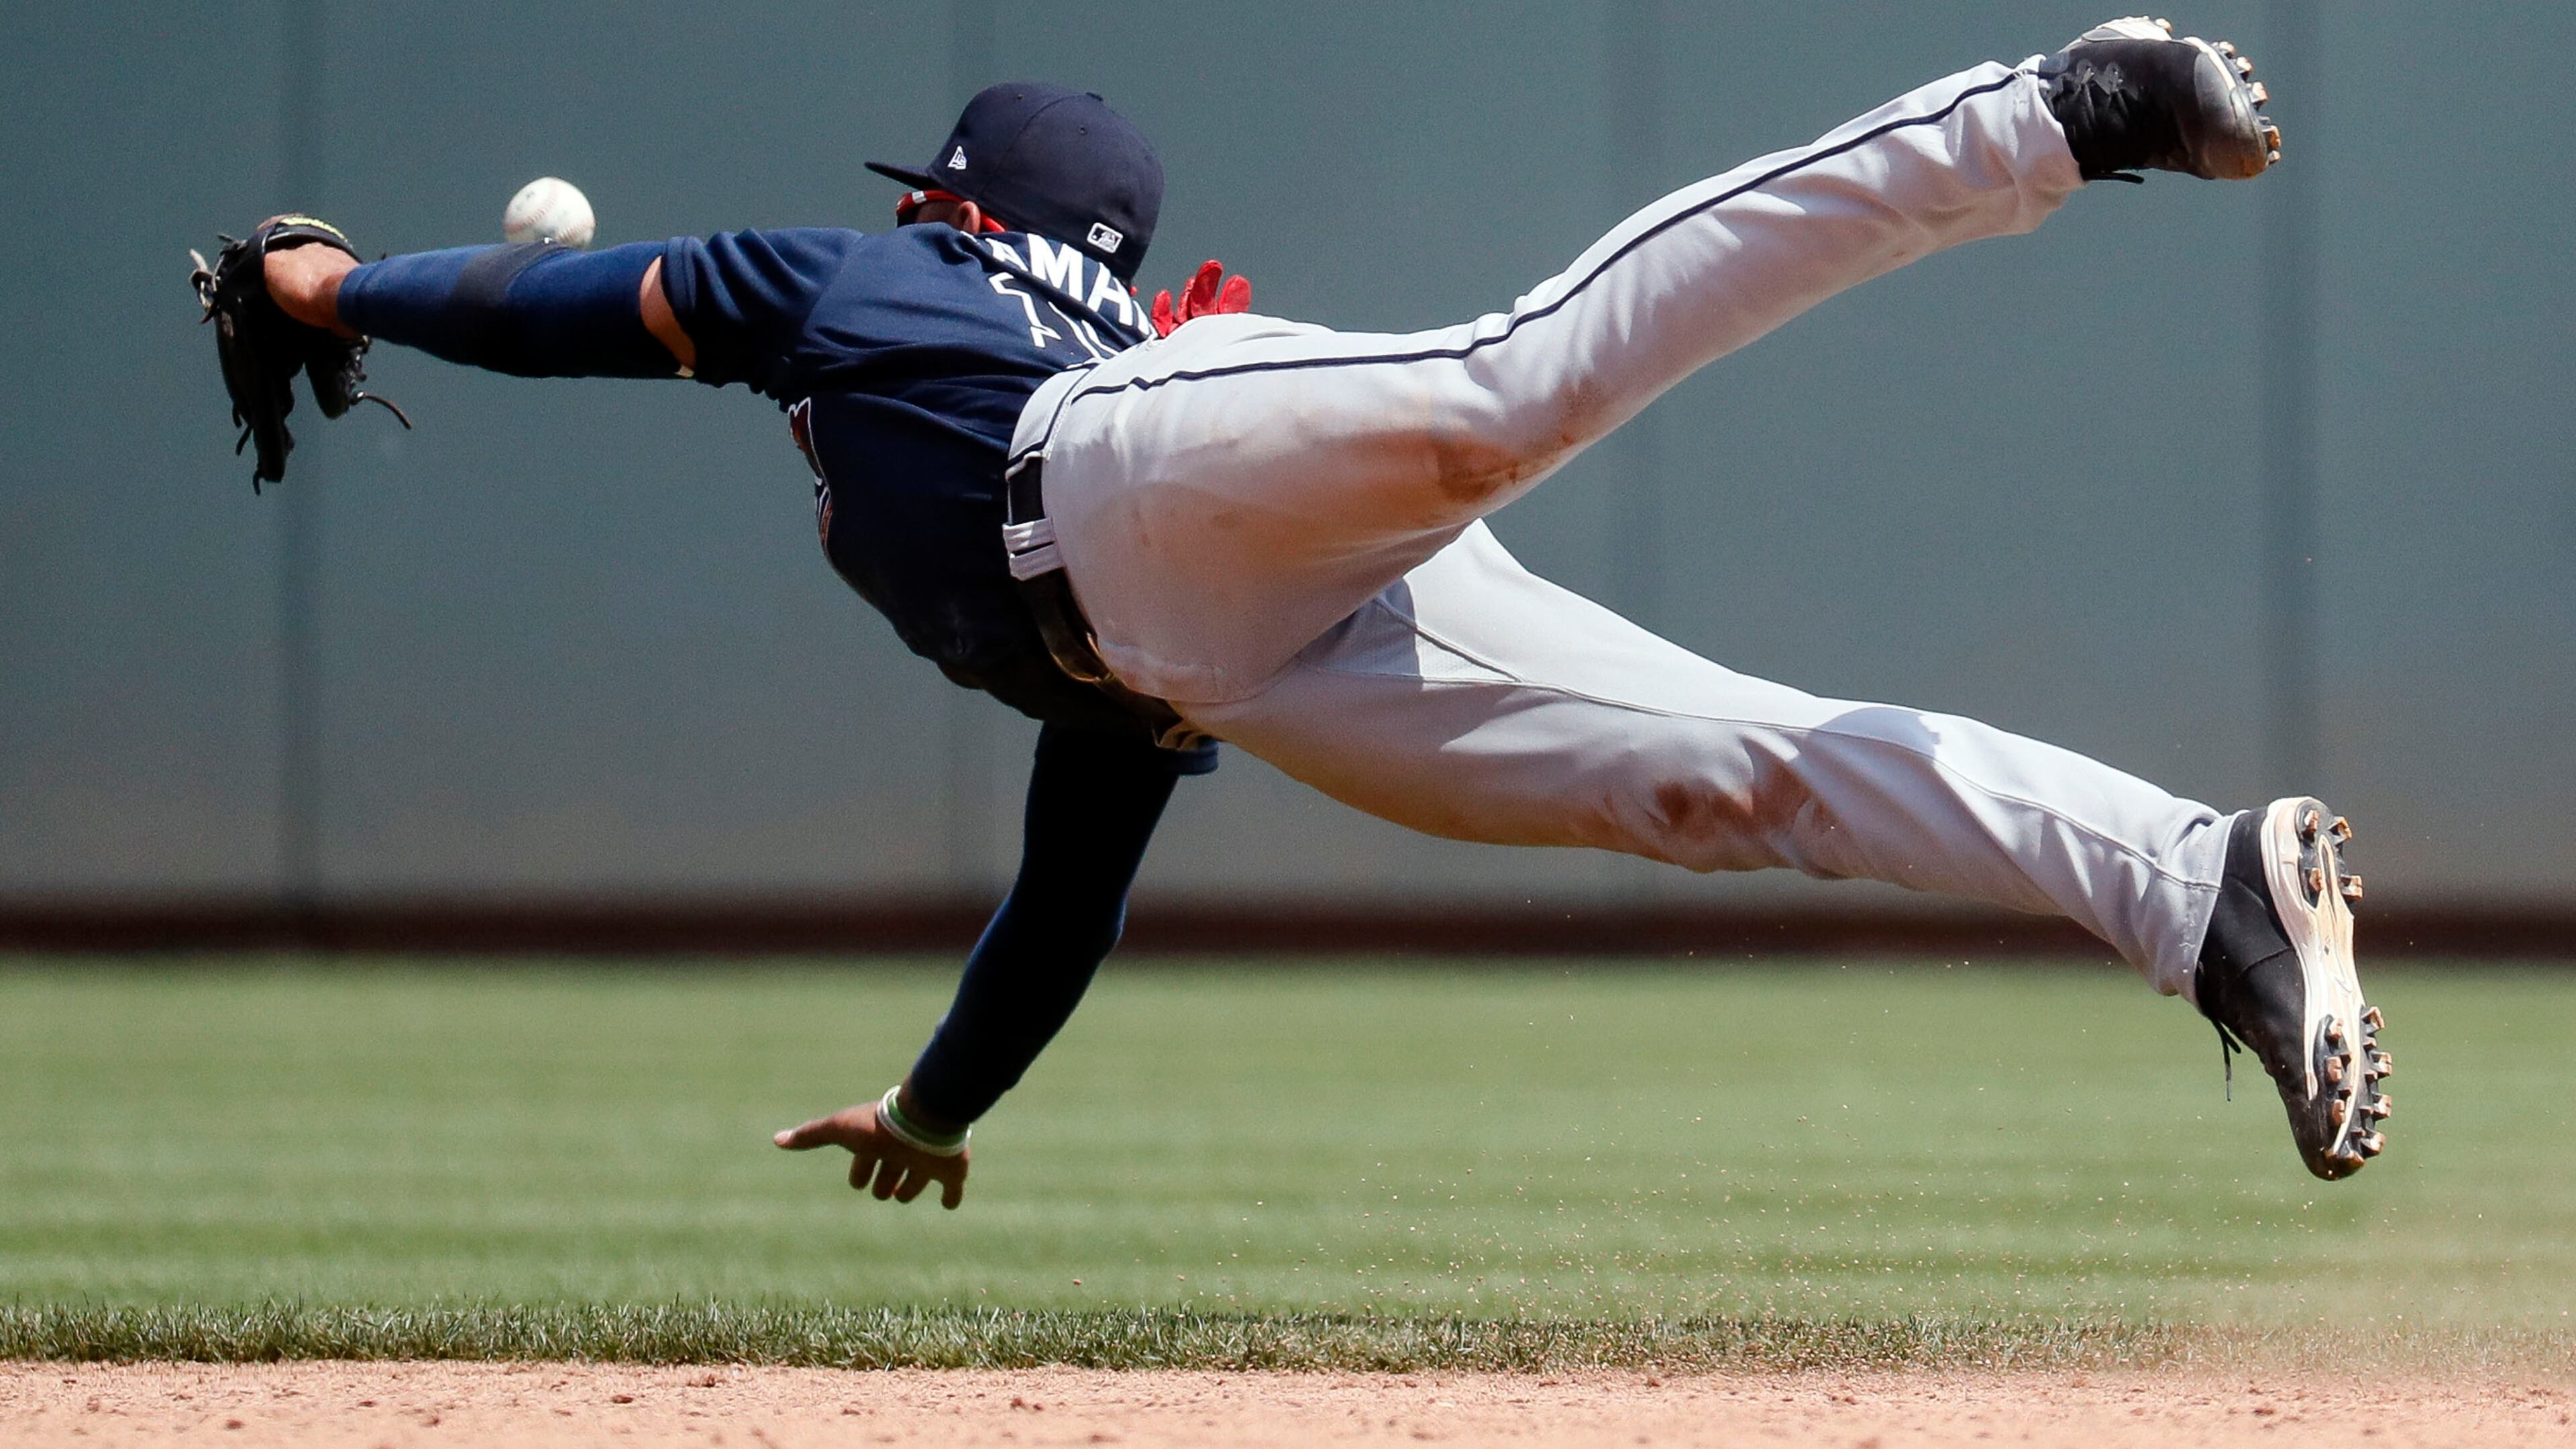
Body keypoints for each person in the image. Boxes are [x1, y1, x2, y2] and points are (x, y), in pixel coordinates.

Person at [223, 17, 2384, 1201]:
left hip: (1130, 463)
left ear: (962, 206)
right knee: (1740, 778)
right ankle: (2195, 887)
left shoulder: (860, 284)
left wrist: (332, 283)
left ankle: (2045, 109)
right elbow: (1072, 881)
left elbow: (554, 311)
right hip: (1218, 649)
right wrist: (943, 1107)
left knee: (1502, 388)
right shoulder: (933, 374)